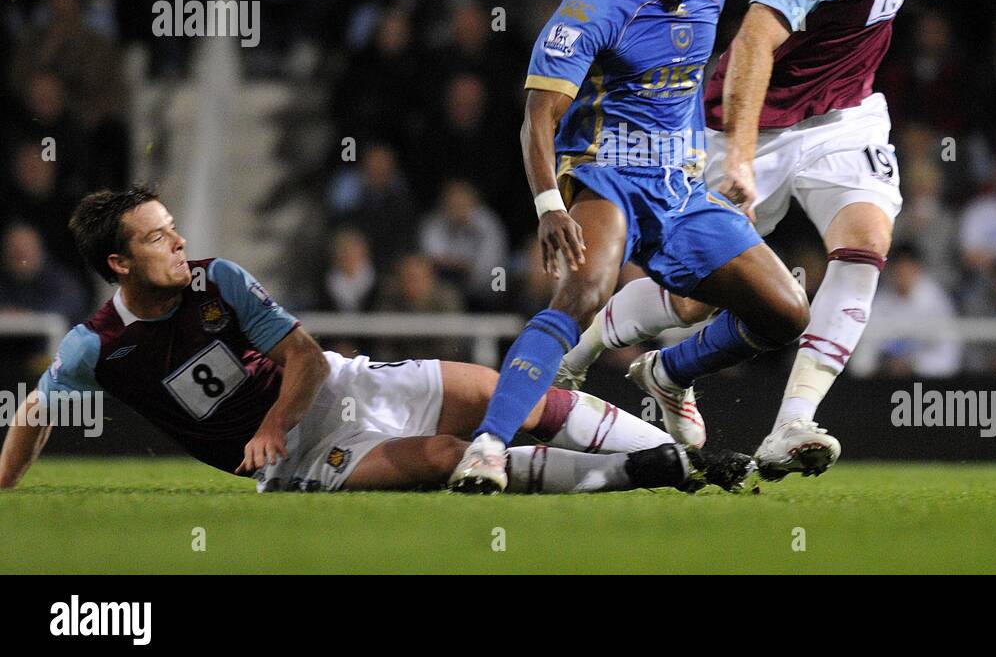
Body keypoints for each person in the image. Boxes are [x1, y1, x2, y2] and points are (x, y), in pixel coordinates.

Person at [555, 0, 937, 480]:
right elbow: (757, 38)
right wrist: (736, 155)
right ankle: (591, 357)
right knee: (693, 300)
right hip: (749, 126)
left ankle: (791, 423)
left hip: (844, 119)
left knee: (866, 244)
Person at [0, 187, 754, 495]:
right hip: (302, 458)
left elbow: (299, 353)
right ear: (119, 263)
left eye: (173, 227)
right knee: (446, 460)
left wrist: (268, 421)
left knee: (501, 394)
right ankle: (651, 472)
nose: (179, 241)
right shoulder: (96, 347)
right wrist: (6, 489)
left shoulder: (216, 279)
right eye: (159, 238)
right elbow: (36, 411)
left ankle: (698, 460)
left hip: (338, 385)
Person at [447, 0, 809, 494]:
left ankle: (669, 374)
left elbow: (684, 82)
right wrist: (548, 206)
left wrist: (706, 157)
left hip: (678, 186)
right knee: (584, 291)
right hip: (604, 173)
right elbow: (538, 117)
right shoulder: (595, 4)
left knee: (786, 312)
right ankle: (486, 448)